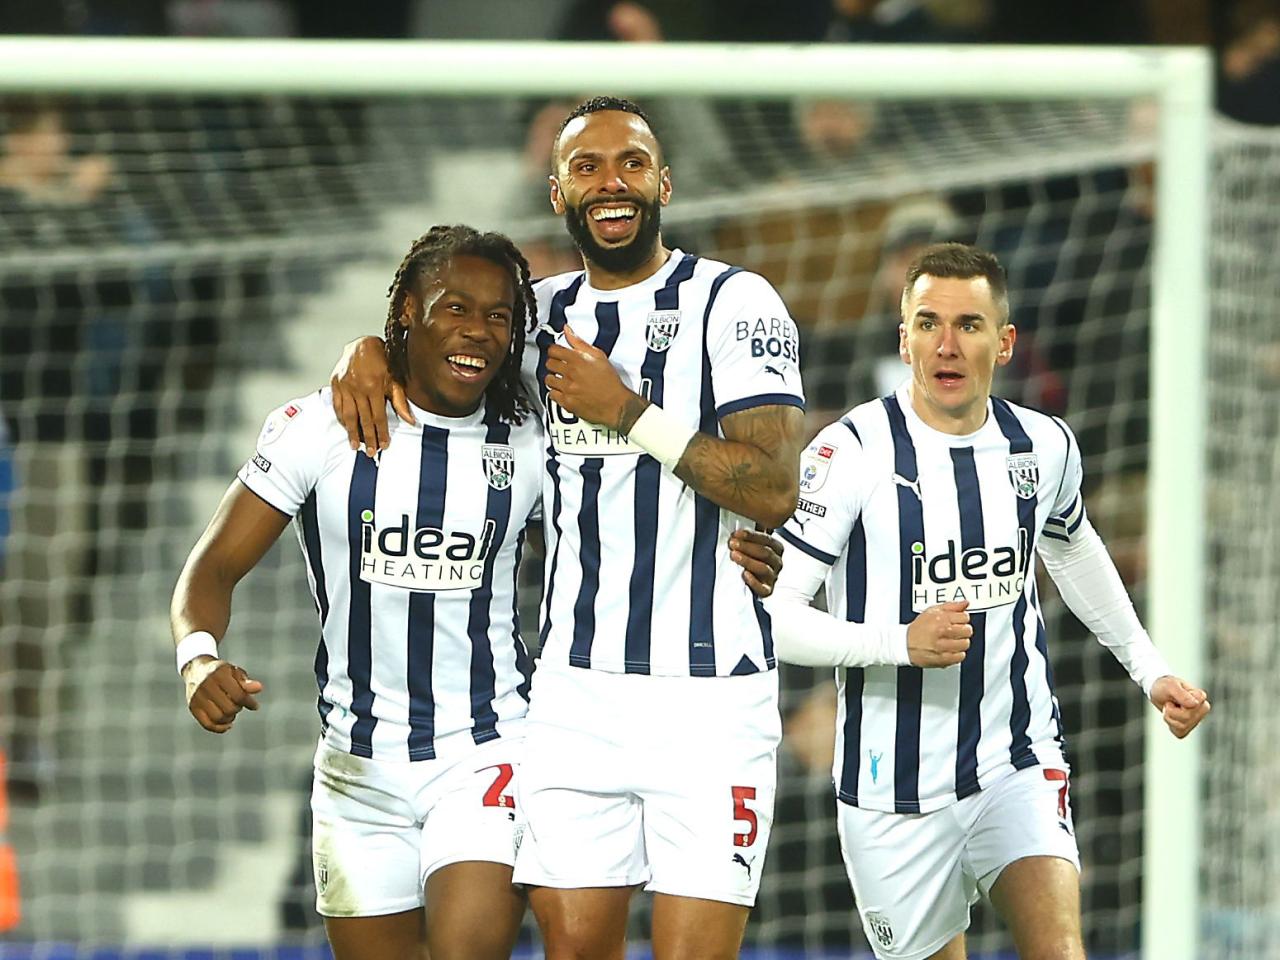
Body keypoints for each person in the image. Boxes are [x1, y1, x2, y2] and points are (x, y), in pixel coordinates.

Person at [330, 96, 807, 959]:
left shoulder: (736, 304)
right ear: (558, 194)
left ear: (663, 180)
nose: (611, 183)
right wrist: (364, 348)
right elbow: (436, 348)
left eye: (630, 163)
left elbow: (773, 489)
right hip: (571, 699)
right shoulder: (532, 317)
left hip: (711, 701)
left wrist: (625, 409)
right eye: (586, 167)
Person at [764, 243, 1211, 960]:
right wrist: (895, 643)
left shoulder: (1044, 446)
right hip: (891, 784)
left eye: (969, 325)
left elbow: (1072, 546)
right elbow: (773, 616)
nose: (946, 344)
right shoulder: (849, 453)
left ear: (1003, 343)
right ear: (902, 337)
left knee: (1061, 948)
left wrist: (1150, 669)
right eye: (927, 323)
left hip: (1016, 757)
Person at [173, 225, 543, 960]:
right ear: (407, 309)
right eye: (455, 308)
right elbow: (210, 570)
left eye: (499, 316)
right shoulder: (320, 428)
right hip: (355, 771)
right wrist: (198, 659)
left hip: (486, 751)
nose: (478, 331)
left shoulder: (533, 438)